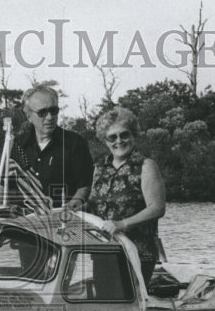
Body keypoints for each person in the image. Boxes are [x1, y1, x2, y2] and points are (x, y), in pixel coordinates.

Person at [88, 106, 166, 283]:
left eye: (124, 135)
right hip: (104, 250)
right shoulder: (99, 169)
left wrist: (122, 224)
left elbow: (157, 208)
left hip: (138, 252)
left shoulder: (146, 166)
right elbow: (94, 207)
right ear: (104, 141)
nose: (119, 141)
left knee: (128, 304)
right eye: (112, 137)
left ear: (133, 135)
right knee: (106, 303)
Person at [11, 85, 94, 210]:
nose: (50, 117)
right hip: (25, 220)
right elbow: (5, 184)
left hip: (63, 219)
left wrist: (76, 202)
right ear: (29, 116)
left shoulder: (75, 143)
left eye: (53, 111)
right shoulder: (17, 145)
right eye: (42, 112)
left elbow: (85, 185)